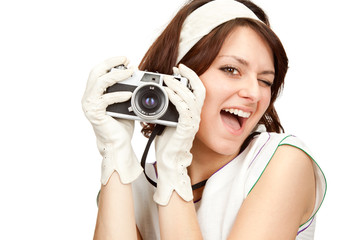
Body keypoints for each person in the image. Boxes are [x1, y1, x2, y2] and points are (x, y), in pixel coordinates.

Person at [82, 0, 326, 239]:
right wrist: (115, 153)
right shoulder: (136, 185)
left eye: (265, 81)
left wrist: (174, 171)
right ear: (176, 79)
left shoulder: (283, 160)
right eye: (231, 70)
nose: (253, 93)